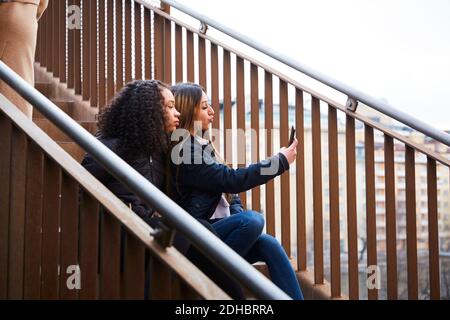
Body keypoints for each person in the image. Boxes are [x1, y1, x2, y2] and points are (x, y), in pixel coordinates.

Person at [81, 79, 246, 299]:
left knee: (196, 231)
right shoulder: (111, 145)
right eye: (169, 107)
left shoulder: (158, 149)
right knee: (191, 231)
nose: (177, 112)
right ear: (148, 110)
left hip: (144, 228)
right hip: (114, 231)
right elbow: (81, 190)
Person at [169, 82, 304, 300]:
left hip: (217, 235)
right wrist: (279, 162)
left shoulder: (203, 146)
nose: (212, 111)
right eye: (204, 107)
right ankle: (211, 273)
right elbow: (230, 180)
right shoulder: (184, 150)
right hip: (196, 238)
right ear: (188, 111)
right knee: (251, 221)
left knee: (268, 242)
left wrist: (237, 209)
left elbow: (229, 194)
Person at [0, 0, 48, 118]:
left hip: (9, 10)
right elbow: (43, 4)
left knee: (9, 87)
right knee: (18, 81)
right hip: (27, 13)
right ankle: (18, 132)